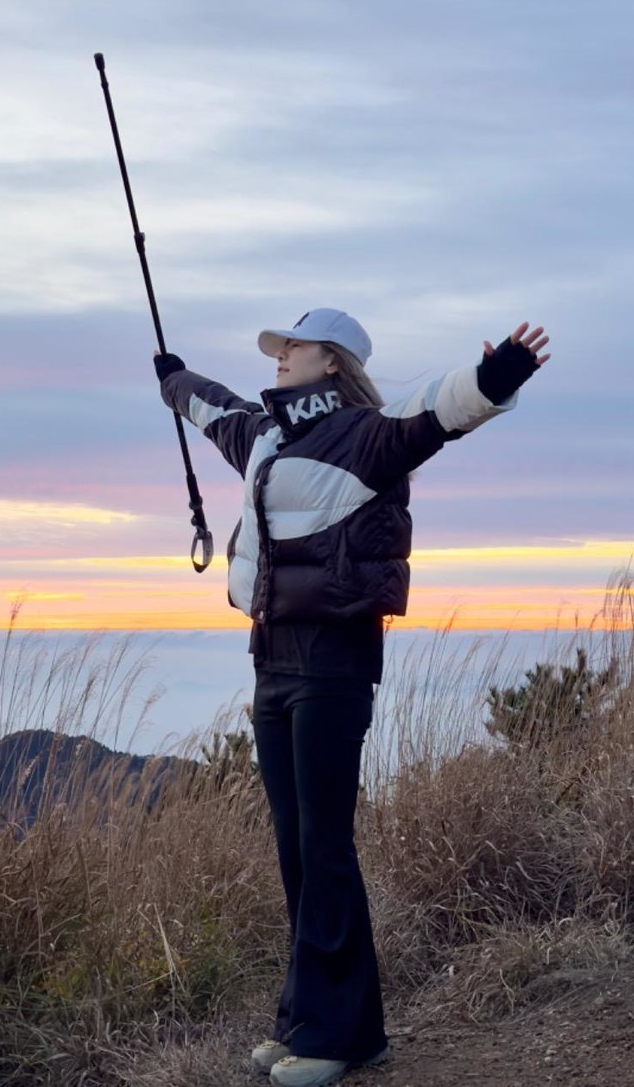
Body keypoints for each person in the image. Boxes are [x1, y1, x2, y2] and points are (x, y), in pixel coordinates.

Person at [153, 308, 550, 1087]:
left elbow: (441, 407)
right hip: (272, 660)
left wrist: (497, 373)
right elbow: (213, 408)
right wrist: (173, 380)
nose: (279, 356)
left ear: (332, 360)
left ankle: (333, 1037)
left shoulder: (367, 435)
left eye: (293, 347)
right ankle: (325, 1023)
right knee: (297, 848)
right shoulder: (266, 437)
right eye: (278, 347)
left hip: (334, 660)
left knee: (326, 846)